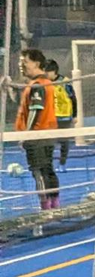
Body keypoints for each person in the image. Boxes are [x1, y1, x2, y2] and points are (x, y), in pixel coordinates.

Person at [13, 47, 59, 210]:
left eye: (25, 61)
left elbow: (35, 110)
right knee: (48, 169)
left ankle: (45, 206)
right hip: (48, 134)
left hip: (37, 135)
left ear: (36, 63)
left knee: (38, 171)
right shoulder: (46, 83)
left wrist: (27, 135)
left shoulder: (38, 85)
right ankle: (55, 205)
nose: (21, 65)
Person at [46, 59, 77, 168]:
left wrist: (75, 115)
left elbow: (73, 99)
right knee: (49, 141)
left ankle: (62, 163)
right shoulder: (45, 83)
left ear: (53, 71)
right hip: (51, 117)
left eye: (47, 71)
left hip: (64, 117)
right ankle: (49, 164)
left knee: (64, 142)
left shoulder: (65, 82)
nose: (45, 74)